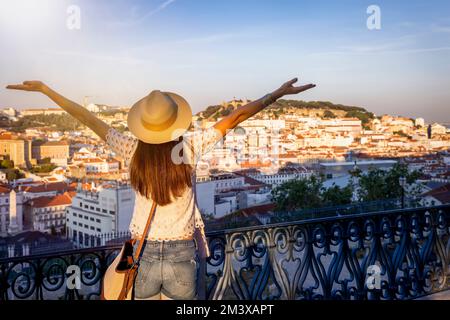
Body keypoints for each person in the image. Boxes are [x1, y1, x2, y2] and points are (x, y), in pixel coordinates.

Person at [6, 78, 315, 299]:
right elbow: (236, 117)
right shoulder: (190, 147)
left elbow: (87, 118)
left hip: (142, 253)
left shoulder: (130, 148)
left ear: (144, 124)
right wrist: (276, 94)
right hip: (182, 252)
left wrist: (47, 90)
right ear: (174, 121)